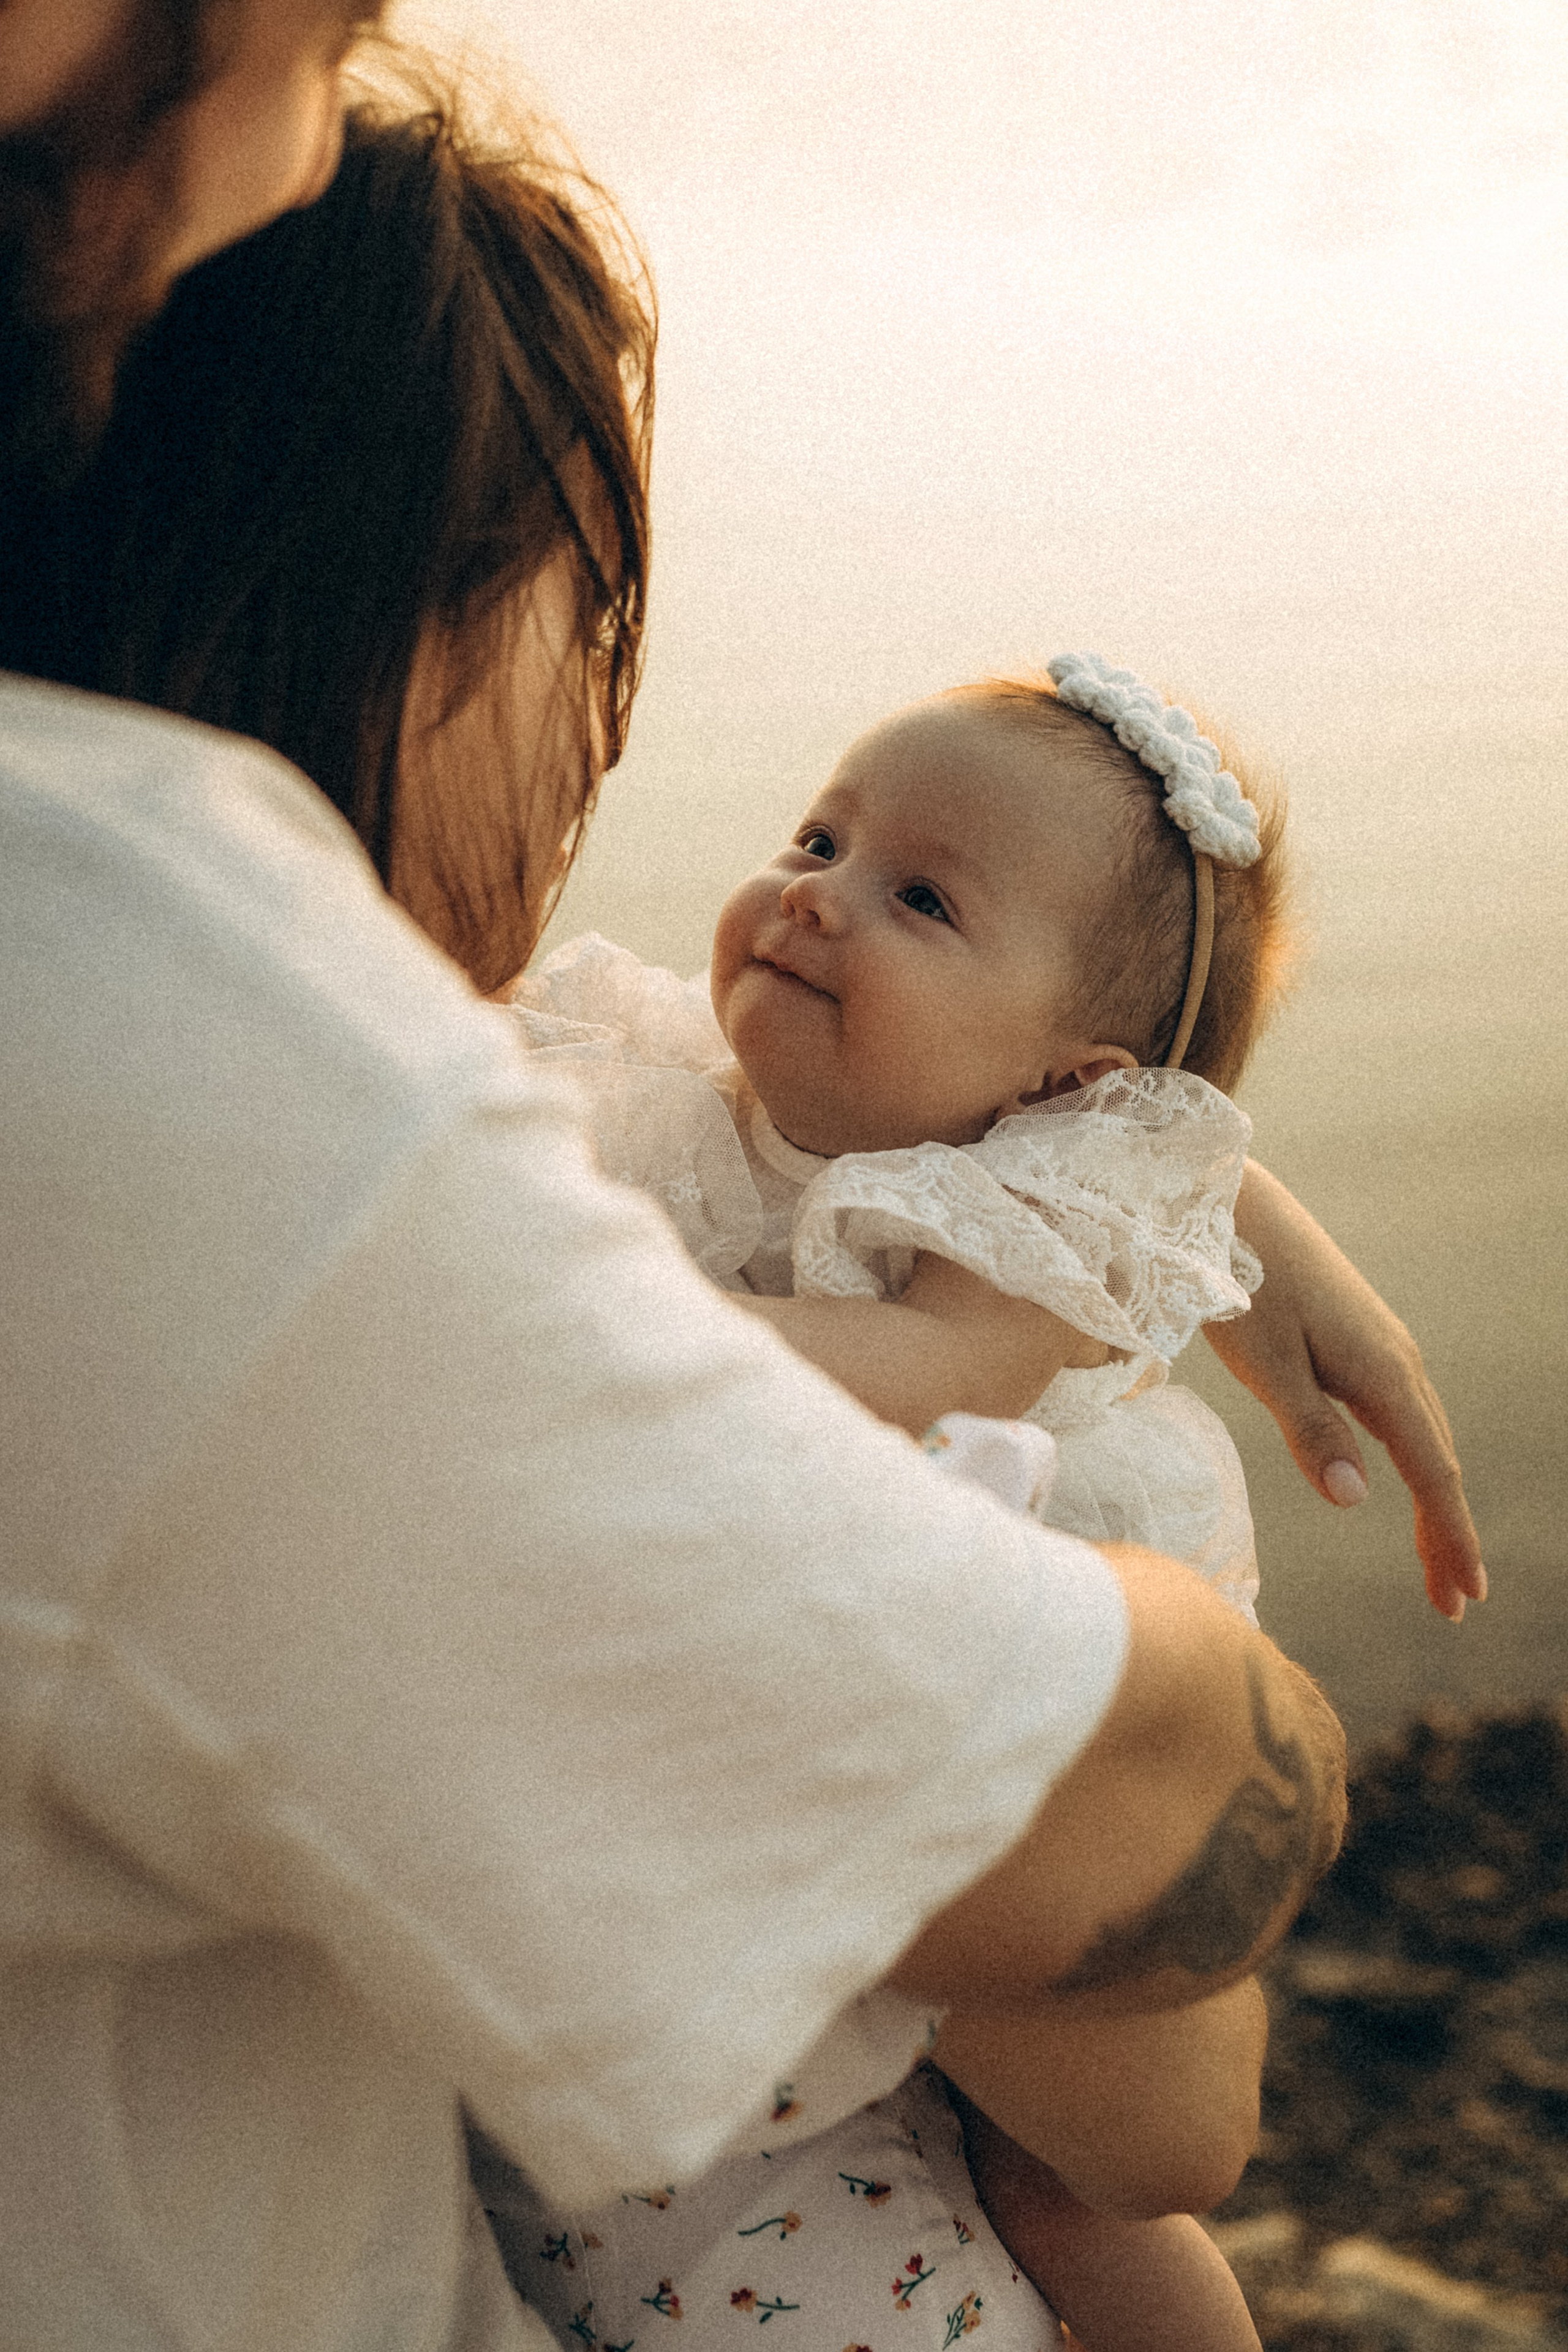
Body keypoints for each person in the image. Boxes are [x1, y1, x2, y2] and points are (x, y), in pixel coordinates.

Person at [0, 9, 1465, 2349]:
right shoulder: (260, 1165)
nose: (600, 712)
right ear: (395, 598)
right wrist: (1183, 1620)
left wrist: (1169, 1182)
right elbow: (1164, 2100)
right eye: (579, 610)